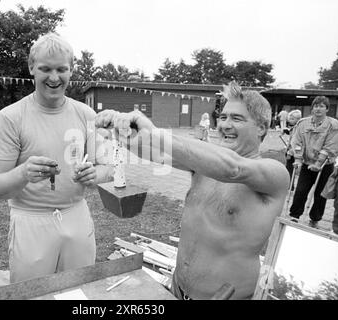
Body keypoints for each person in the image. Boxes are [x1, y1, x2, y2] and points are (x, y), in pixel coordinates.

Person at [95, 81, 289, 300]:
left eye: (236, 118)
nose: (225, 125)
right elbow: (155, 153)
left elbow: (233, 168)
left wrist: (154, 132)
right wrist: (122, 132)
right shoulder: (203, 163)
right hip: (178, 289)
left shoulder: (274, 173)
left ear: (262, 127)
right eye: (223, 117)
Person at [0, 33, 113, 284]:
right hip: (30, 219)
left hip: (76, 214)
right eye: (45, 69)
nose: (54, 78)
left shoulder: (86, 114)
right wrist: (23, 174)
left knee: (79, 287)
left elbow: (110, 169)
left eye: (61, 69)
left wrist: (95, 174)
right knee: (33, 292)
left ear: (71, 70)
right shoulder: (9, 118)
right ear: (31, 68)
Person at [289, 96, 338, 228]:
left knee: (320, 195)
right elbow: (297, 142)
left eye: (322, 106)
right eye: (316, 106)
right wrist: (298, 159)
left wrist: (318, 164)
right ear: (312, 108)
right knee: (301, 191)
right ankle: (294, 216)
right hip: (307, 164)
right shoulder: (302, 124)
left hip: (324, 166)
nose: (318, 109)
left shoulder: (333, 125)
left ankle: (315, 219)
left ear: (327, 109)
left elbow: (330, 146)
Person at [284, 109, 302, 179]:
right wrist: (287, 131)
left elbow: (295, 142)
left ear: (298, 119)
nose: (289, 120)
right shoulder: (294, 127)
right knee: (290, 169)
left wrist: (289, 152)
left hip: (293, 153)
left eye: (292, 119)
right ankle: (290, 185)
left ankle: (290, 186)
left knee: (290, 169)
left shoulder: (297, 129)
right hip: (293, 152)